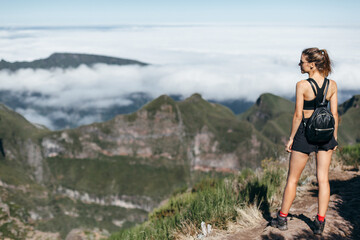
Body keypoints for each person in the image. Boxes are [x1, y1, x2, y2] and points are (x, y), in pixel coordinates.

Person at [271, 47, 338, 235]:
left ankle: (282, 218)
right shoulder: (332, 85)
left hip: (305, 133)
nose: (299, 64)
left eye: (302, 61)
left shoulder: (302, 85)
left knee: (293, 179)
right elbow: (334, 114)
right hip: (326, 134)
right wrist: (335, 137)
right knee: (323, 179)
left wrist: (292, 138)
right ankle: (320, 223)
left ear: (312, 64)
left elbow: (297, 115)